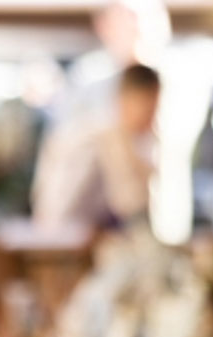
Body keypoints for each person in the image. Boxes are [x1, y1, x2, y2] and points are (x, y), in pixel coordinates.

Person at [31, 63, 160, 233]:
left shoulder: (90, 126)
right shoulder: (108, 135)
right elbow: (132, 203)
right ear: (128, 99)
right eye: (151, 108)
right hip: (66, 240)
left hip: (54, 232)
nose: (153, 118)